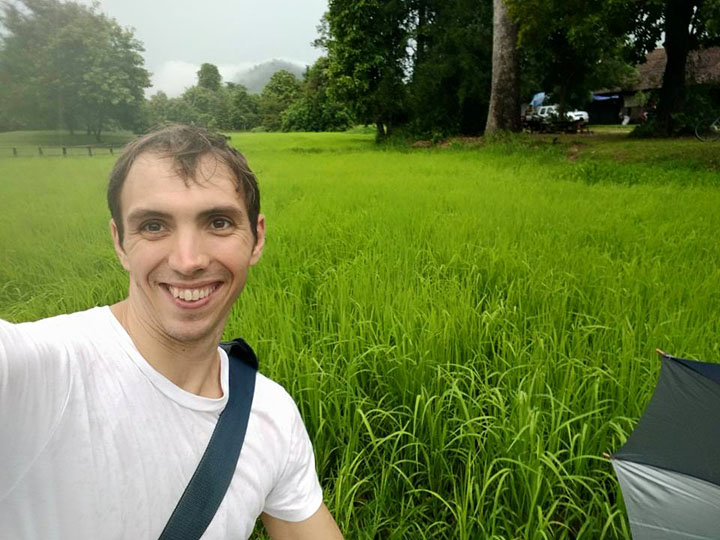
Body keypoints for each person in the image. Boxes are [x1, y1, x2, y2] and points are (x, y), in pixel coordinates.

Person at [0, 124, 343, 539]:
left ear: (257, 238)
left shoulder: (271, 417)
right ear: (120, 243)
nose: (187, 260)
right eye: (154, 226)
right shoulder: (36, 372)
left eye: (218, 222)